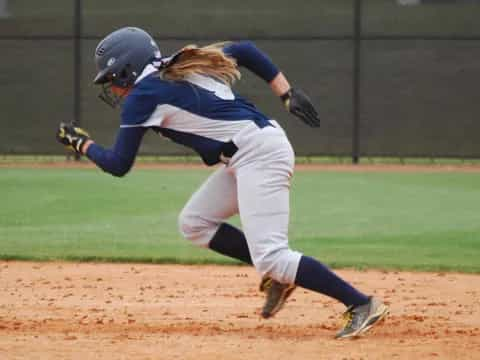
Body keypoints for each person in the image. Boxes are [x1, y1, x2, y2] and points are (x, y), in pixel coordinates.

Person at [56, 27, 388, 339]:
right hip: (250, 152)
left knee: (273, 254)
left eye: (113, 78)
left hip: (259, 155)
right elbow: (244, 49)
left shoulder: (143, 96)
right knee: (195, 223)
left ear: (129, 69)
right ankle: (277, 276)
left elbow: (118, 164)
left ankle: (359, 303)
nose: (112, 88)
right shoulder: (181, 62)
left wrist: (81, 144)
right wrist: (286, 92)